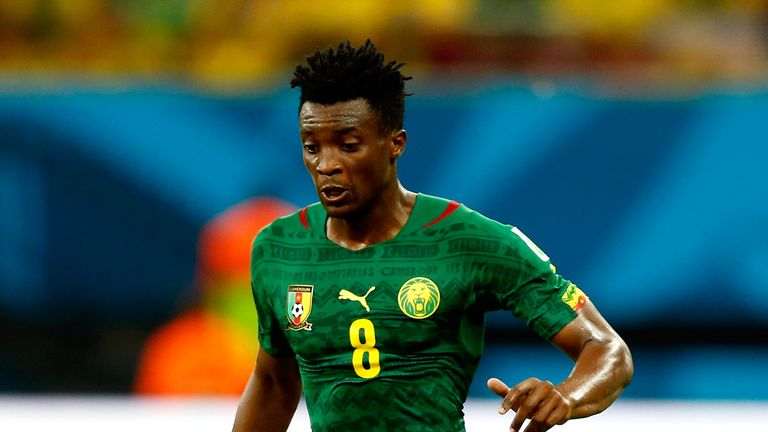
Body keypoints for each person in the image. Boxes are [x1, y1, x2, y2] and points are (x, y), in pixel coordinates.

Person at [233, 40, 633, 432]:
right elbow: (274, 384)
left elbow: (608, 351)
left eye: (348, 145)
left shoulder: (469, 240)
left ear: (395, 143)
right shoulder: (278, 248)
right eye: (311, 147)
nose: (327, 165)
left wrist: (565, 396)